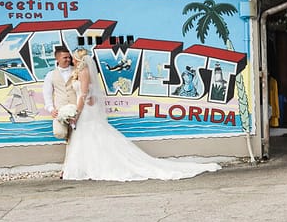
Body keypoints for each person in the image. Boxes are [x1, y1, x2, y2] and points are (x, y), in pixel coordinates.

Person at [62, 48, 221, 181]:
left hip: (85, 112)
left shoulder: (83, 71)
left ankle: (92, 167)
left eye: (73, 58)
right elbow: (90, 95)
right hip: (89, 110)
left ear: (78, 59)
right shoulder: (84, 71)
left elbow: (83, 95)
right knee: (93, 138)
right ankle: (92, 165)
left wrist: (76, 112)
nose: (71, 60)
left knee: (91, 137)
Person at [42, 45, 77, 139]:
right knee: (59, 133)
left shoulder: (77, 71)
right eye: (65, 57)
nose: (68, 59)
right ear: (57, 59)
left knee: (78, 134)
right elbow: (47, 94)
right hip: (60, 111)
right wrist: (51, 109)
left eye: (69, 57)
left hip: (77, 108)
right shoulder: (50, 75)